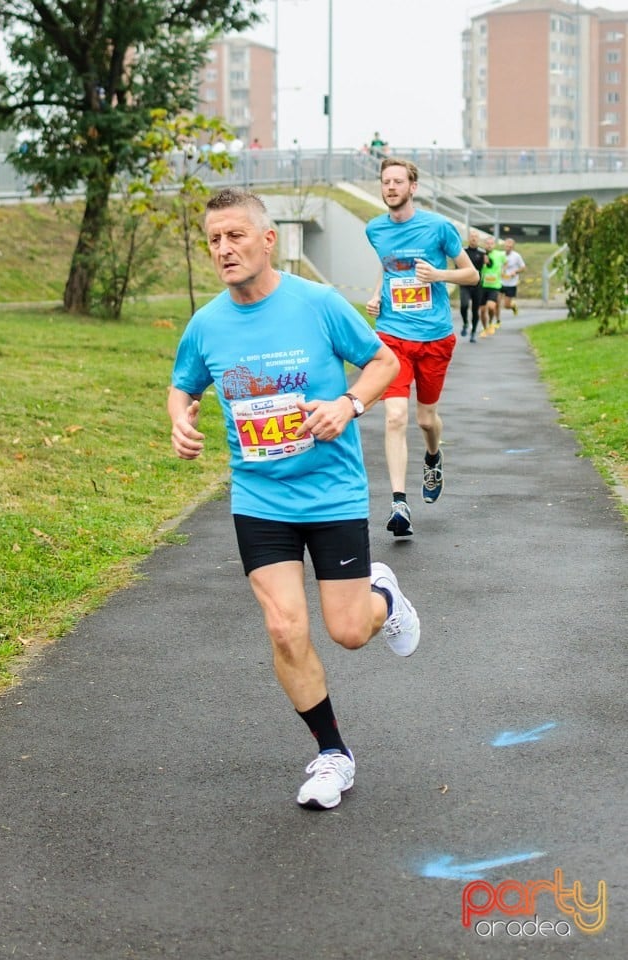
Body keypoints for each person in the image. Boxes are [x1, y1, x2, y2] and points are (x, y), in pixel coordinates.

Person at [168, 188, 420, 811]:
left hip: (330, 493)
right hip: (260, 499)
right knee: (284, 629)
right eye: (214, 241)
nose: (223, 250)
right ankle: (333, 753)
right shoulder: (207, 325)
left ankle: (381, 596)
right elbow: (182, 386)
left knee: (348, 632)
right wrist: (180, 418)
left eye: (234, 236)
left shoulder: (317, 304)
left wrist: (348, 404)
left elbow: (383, 363)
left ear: (267, 238)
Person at [365, 158, 479, 538]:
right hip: (392, 336)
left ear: (413, 187)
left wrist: (439, 274)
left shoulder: (438, 228)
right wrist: (377, 294)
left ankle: (433, 457)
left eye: (398, 181)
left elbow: (472, 273)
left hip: (433, 336)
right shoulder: (374, 229)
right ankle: (399, 503)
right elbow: (388, 266)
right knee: (394, 416)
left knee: (425, 420)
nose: (391, 187)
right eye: (386, 182)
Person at [459, 229, 485, 343]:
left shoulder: (482, 252)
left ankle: (473, 332)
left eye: (476, 237)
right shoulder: (462, 251)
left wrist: (489, 262)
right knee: (464, 305)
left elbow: (490, 265)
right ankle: (465, 322)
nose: (473, 238)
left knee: (475, 310)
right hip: (465, 283)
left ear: (478, 239)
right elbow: (457, 264)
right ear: (468, 238)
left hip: (477, 284)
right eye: (472, 236)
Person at [478, 236, 505, 337]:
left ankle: (490, 323)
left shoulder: (499, 254)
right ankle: (485, 328)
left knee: (491, 307)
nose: (489, 245)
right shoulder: (480, 254)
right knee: (482, 310)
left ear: (494, 245)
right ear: (484, 244)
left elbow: (506, 263)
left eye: (491, 243)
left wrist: (503, 271)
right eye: (487, 243)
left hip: (494, 285)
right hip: (482, 285)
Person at [500, 237, 526, 316]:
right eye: (507, 246)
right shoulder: (500, 254)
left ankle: (513, 306)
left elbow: (523, 267)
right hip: (500, 282)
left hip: (511, 283)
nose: (508, 248)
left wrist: (515, 272)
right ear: (504, 246)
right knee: (495, 302)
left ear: (513, 247)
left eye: (510, 247)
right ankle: (496, 320)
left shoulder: (517, 256)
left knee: (506, 305)